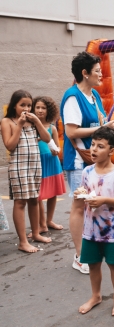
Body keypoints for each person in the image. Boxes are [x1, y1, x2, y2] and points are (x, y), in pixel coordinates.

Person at [61, 51, 114, 273]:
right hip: (79, 160)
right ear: (84, 73)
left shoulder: (93, 96)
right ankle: (79, 256)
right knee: (80, 206)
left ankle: (91, 249)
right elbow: (71, 131)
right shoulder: (72, 97)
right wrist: (101, 128)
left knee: (92, 205)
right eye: (97, 71)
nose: (101, 74)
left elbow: (101, 122)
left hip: (93, 160)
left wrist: (110, 128)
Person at [76, 127, 114, 316]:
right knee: (93, 263)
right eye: (93, 145)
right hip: (90, 228)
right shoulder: (87, 171)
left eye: (100, 146)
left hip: (112, 230)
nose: (94, 149)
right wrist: (79, 194)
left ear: (112, 151)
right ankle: (96, 295)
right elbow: (84, 191)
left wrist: (104, 200)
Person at [1, 90, 51, 252]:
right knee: (20, 202)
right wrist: (20, 125)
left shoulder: (32, 121)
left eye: (29, 105)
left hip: (34, 165)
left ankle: (35, 233)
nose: (26, 109)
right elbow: (10, 145)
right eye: (22, 105)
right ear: (14, 105)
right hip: (18, 166)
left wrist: (37, 121)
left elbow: (47, 138)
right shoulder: (7, 122)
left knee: (34, 200)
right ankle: (23, 241)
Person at [32, 96, 66, 234]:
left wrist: (55, 151)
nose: (40, 111)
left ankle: (49, 220)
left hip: (52, 162)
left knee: (53, 193)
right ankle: (41, 224)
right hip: (37, 163)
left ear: (49, 110)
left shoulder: (52, 128)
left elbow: (58, 148)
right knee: (37, 195)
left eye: (43, 108)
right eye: (38, 107)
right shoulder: (30, 126)